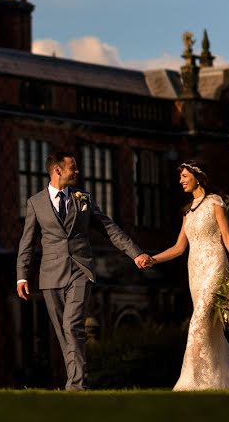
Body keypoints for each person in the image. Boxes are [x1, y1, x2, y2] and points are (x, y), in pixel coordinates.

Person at [16, 151, 153, 391]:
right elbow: (26, 243)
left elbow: (109, 228)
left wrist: (136, 253)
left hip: (80, 270)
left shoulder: (84, 199)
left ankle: (76, 384)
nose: (78, 172)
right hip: (50, 275)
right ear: (58, 170)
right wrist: (21, 276)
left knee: (73, 325)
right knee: (62, 332)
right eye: (73, 168)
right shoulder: (35, 203)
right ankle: (79, 379)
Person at [147, 160, 229, 390]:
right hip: (194, 271)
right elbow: (179, 248)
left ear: (197, 176)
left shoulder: (215, 202)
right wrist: (153, 259)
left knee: (197, 323)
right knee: (210, 329)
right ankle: (214, 381)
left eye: (184, 176)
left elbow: (227, 237)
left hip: (215, 266)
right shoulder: (188, 211)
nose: (180, 181)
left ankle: (191, 381)